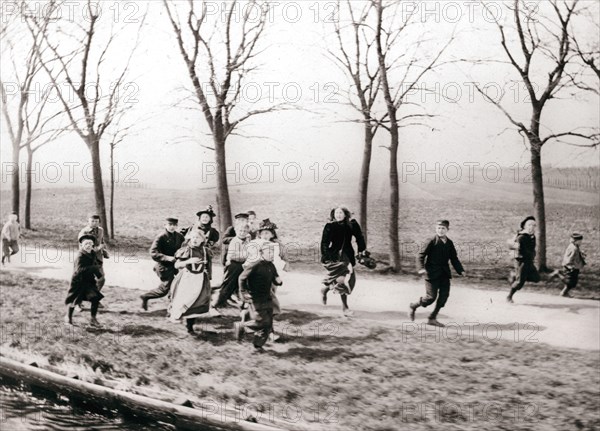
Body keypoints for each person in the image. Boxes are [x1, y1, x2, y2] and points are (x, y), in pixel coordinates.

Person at [409, 220, 465, 327]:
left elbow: (454, 258)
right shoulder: (431, 241)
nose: (441, 230)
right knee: (430, 298)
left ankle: (432, 318)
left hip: (444, 274)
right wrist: (421, 268)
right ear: (436, 229)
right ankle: (413, 306)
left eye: (443, 228)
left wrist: (460, 270)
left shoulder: (449, 243)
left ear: (447, 230)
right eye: (439, 228)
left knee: (444, 297)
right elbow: (420, 255)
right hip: (431, 274)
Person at [245, 219, 287, 342]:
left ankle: (253, 324)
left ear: (272, 234)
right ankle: (269, 331)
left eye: (268, 233)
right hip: (259, 279)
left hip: (272, 276)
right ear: (259, 234)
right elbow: (251, 261)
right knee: (269, 305)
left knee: (266, 305)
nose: (265, 236)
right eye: (263, 233)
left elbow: (279, 259)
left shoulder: (276, 245)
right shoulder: (255, 244)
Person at [236, 240, 282, 350]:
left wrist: (278, 281)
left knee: (268, 323)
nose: (271, 254)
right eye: (269, 252)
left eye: (272, 252)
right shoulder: (255, 265)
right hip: (255, 297)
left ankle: (258, 345)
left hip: (267, 297)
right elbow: (242, 278)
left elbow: (275, 278)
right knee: (262, 322)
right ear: (262, 253)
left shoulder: (271, 266)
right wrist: (244, 292)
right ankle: (242, 326)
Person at [320, 206, 366, 317]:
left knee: (344, 280)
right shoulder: (330, 226)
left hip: (348, 255)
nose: (338, 215)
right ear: (333, 215)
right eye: (336, 213)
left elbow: (359, 237)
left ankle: (325, 289)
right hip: (334, 256)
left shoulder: (351, 225)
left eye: (341, 213)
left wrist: (361, 250)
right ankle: (345, 308)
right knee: (344, 280)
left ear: (345, 214)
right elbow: (324, 242)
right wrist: (326, 255)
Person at [168, 230, 212, 335]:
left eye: (197, 238)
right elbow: (176, 265)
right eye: (193, 237)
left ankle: (190, 325)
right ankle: (177, 315)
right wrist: (188, 261)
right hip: (187, 278)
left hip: (200, 279)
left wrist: (208, 277)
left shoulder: (205, 251)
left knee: (197, 301)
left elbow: (208, 266)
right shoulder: (186, 250)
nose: (195, 240)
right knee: (185, 299)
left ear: (202, 239)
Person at [141, 217, 185, 310]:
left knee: (178, 285)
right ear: (165, 225)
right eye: (170, 225)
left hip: (176, 266)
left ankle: (173, 307)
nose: (172, 227)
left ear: (177, 226)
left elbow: (184, 248)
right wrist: (167, 258)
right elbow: (153, 253)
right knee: (164, 290)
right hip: (164, 267)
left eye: (174, 225)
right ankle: (145, 296)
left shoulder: (179, 236)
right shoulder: (161, 237)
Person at [65, 235, 104, 326]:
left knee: (95, 298)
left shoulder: (92, 253)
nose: (88, 245)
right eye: (86, 243)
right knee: (74, 300)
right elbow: (79, 270)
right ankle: (68, 318)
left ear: (93, 245)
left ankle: (93, 319)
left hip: (89, 281)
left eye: (90, 243)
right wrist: (93, 268)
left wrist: (98, 274)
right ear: (81, 245)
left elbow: (95, 264)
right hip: (78, 282)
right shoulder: (80, 256)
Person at [213, 217, 251, 309]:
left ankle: (244, 303)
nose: (242, 233)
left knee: (243, 284)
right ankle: (217, 303)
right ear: (236, 231)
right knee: (228, 284)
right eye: (240, 231)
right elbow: (233, 255)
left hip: (242, 265)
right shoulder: (234, 241)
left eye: (244, 231)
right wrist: (245, 254)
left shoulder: (247, 241)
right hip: (233, 265)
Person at [507, 216, 540, 303]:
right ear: (525, 226)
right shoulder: (522, 237)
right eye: (530, 225)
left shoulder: (532, 236)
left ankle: (515, 275)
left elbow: (532, 249)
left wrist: (533, 255)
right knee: (519, 283)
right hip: (521, 261)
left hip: (528, 261)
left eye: (534, 225)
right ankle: (509, 296)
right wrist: (531, 255)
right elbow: (521, 250)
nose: (532, 227)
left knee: (536, 278)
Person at [181, 206, 220, 280]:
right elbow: (186, 238)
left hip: (203, 251)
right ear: (200, 218)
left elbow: (214, 240)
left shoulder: (212, 231)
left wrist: (209, 245)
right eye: (203, 217)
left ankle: (205, 283)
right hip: (192, 249)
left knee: (205, 267)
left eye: (207, 217)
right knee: (190, 266)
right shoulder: (193, 227)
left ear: (210, 219)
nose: (205, 219)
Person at [550, 232, 587, 297]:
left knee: (573, 283)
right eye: (580, 241)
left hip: (575, 267)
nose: (581, 242)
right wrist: (569, 266)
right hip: (570, 267)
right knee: (570, 282)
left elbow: (576, 255)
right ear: (575, 241)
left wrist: (582, 254)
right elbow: (569, 258)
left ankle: (564, 293)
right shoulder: (573, 248)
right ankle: (558, 274)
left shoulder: (575, 246)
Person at [78, 215, 109, 292]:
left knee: (101, 279)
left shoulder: (101, 230)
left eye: (97, 221)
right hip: (87, 258)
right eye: (92, 221)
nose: (95, 223)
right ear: (88, 222)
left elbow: (102, 241)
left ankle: (94, 296)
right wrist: (99, 247)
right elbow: (85, 248)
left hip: (98, 258)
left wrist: (104, 250)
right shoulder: (84, 232)